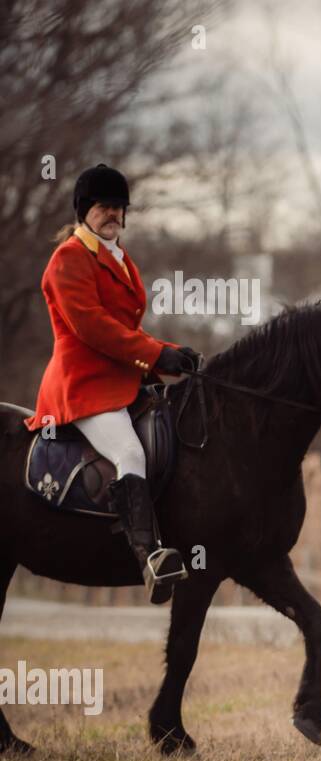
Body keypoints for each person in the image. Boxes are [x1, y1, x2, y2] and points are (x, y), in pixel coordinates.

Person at [25, 164, 198, 603]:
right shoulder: (68, 258)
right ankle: (150, 558)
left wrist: (172, 353)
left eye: (119, 207)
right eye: (104, 206)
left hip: (120, 379)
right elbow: (95, 328)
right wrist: (158, 355)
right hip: (82, 384)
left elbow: (127, 330)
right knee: (129, 451)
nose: (113, 214)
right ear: (85, 211)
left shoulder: (119, 257)